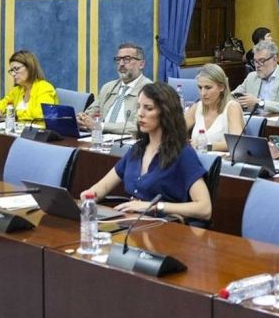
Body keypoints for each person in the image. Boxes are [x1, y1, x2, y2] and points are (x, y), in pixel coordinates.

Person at [87, 82, 211, 221]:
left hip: (162, 226)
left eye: (148, 108)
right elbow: (103, 187)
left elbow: (204, 208)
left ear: (166, 113)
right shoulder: (137, 149)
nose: (140, 113)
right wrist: (88, 196)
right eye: (139, 107)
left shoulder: (183, 153)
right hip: (131, 223)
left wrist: (154, 206)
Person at [78, 42, 151, 135]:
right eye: (118, 59)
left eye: (127, 59)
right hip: (100, 138)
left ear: (141, 64)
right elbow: (90, 114)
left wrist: (100, 126)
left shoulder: (149, 90)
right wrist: (82, 119)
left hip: (129, 140)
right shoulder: (108, 87)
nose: (121, 64)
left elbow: (138, 126)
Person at [184, 63, 244, 152]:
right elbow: (174, 131)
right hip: (197, 157)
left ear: (221, 87)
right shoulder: (197, 107)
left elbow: (236, 143)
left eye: (208, 88)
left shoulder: (232, 107)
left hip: (221, 159)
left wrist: (205, 146)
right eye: (200, 87)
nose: (203, 93)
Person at [0, 50, 57, 123]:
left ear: (29, 67)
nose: (13, 74)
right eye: (12, 70)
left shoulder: (45, 87)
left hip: (40, 129)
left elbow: (40, 114)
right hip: (20, 128)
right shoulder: (17, 90)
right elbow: (3, 102)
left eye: (16, 69)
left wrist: (15, 114)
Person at [233, 39, 279, 115]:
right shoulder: (251, 77)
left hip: (274, 121)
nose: (257, 65)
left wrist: (260, 103)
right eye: (255, 61)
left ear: (275, 59)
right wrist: (235, 102)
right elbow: (232, 96)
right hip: (251, 120)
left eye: (262, 60)